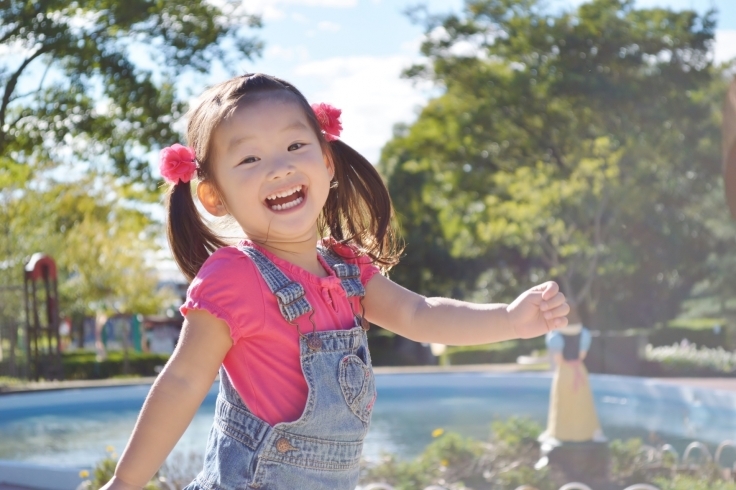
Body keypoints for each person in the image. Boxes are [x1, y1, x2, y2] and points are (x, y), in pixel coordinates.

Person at [102, 73, 570, 490]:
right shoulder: (233, 277)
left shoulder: (348, 272)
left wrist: (508, 319)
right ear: (213, 194)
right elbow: (182, 381)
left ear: (326, 162)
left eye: (294, 146)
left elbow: (419, 313)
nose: (279, 167)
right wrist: (125, 482)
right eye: (249, 159)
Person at [539, 320, 605, 444]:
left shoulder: (555, 336)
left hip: (564, 373)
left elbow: (558, 358)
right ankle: (587, 431)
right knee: (582, 402)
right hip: (579, 370)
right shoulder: (584, 334)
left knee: (563, 403)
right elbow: (582, 355)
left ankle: (559, 432)